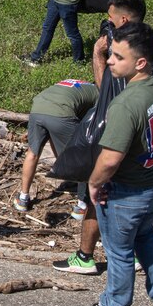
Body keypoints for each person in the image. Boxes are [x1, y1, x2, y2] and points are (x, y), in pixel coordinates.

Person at [76, 22, 153, 306]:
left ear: (140, 62)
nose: (109, 61)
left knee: (119, 251)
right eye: (111, 54)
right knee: (146, 237)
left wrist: (94, 184)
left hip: (126, 192)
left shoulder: (126, 104)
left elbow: (109, 160)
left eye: (117, 57)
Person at [55, 0, 147, 275]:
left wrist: (98, 54)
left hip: (120, 135)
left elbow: (105, 90)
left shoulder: (127, 52)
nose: (107, 23)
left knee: (101, 193)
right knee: (129, 198)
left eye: (109, 19)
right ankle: (128, 254)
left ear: (122, 20)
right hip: (143, 139)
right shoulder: (147, 46)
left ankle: (89, 258)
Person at [13, 79, 97, 217]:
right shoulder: (99, 93)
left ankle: (23, 198)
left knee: (32, 153)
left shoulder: (74, 84)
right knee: (83, 157)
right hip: (61, 113)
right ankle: (82, 206)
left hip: (37, 109)